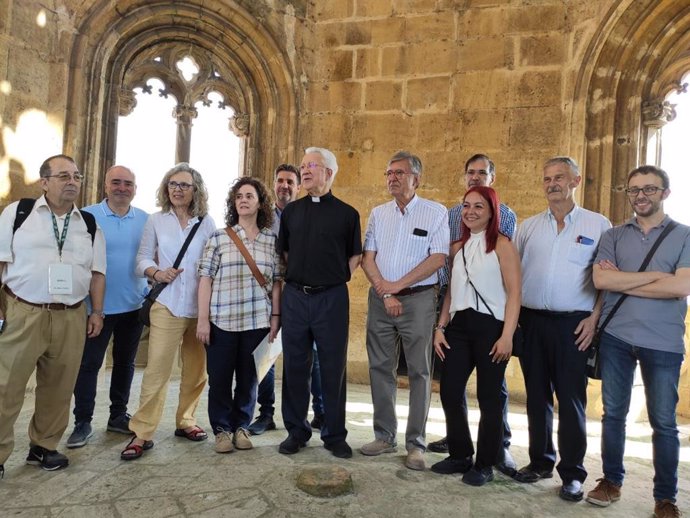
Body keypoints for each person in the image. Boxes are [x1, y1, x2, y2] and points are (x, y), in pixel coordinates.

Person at [586, 165, 690, 518]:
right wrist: (657, 276)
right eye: (633, 190)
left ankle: (665, 498)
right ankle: (611, 481)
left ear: (665, 193)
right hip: (617, 337)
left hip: (663, 343)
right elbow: (602, 281)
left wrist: (626, 280)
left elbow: (680, 287)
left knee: (663, 422)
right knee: (613, 414)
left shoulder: (684, 235)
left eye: (649, 189)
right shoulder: (614, 236)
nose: (640, 196)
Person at [0, 154, 106, 477]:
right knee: (6, 385)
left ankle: (43, 446)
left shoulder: (88, 224)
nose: (72, 181)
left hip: (71, 315)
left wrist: (97, 311)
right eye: (63, 176)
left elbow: (97, 273)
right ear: (44, 182)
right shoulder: (18, 213)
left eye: (76, 176)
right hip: (23, 311)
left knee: (59, 387)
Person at [514, 156, 610, 501]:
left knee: (571, 400)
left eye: (559, 178)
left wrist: (594, 319)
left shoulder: (598, 225)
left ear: (575, 181)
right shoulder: (527, 227)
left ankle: (572, 474)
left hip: (575, 325)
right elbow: (514, 277)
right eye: (546, 179)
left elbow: (606, 281)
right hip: (532, 321)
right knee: (536, 397)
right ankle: (540, 461)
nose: (552, 184)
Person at [429, 153, 518, 477]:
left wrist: (507, 335)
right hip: (459, 326)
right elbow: (452, 292)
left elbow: (515, 294)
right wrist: (441, 327)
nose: (470, 212)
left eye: (478, 206)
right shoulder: (457, 248)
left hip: (491, 327)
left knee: (489, 397)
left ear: (492, 210)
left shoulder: (504, 245)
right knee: (451, 390)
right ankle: (460, 454)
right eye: (466, 206)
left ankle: (485, 463)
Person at [120, 163, 216, 461]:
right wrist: (157, 272)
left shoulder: (207, 222)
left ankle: (186, 421)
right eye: (173, 184)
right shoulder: (156, 220)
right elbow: (141, 259)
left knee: (197, 370)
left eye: (184, 185)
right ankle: (143, 432)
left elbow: (213, 263)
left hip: (200, 308)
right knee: (157, 369)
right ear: (166, 188)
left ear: (195, 189)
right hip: (167, 305)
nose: (177, 189)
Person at [360, 151, 449, 471]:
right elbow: (367, 258)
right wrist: (385, 290)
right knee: (380, 367)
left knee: (419, 371)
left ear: (416, 178)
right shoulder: (378, 213)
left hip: (419, 300)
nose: (392, 178)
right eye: (388, 173)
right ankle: (384, 436)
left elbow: (438, 258)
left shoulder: (435, 212)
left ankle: (416, 443)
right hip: (381, 300)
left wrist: (395, 286)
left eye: (399, 172)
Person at [277, 147, 362, 459]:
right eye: (303, 166)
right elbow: (284, 252)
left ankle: (334, 435)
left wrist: (334, 279)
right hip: (296, 298)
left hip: (332, 299)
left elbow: (356, 255)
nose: (305, 170)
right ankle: (296, 432)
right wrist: (303, 278)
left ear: (329, 172)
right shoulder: (291, 212)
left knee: (332, 368)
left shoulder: (348, 213)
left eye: (312, 165)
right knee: (295, 366)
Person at [197, 177, 282, 453]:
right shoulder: (219, 237)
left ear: (260, 203)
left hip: (258, 320)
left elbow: (277, 281)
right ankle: (222, 430)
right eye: (238, 197)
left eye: (249, 196)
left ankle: (242, 427)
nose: (243, 200)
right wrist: (202, 320)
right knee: (219, 379)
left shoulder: (272, 240)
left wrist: (276, 318)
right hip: (222, 321)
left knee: (249, 380)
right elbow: (205, 279)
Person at [66, 165, 148, 448]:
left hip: (133, 306)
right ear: (105, 185)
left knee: (126, 364)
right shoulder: (86, 216)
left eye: (128, 183)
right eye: (116, 182)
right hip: (95, 309)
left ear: (135, 189)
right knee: (89, 364)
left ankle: (117, 416)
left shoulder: (145, 220)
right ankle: (83, 421)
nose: (122, 188)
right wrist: (90, 307)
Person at [247, 164, 325, 435]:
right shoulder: (263, 218)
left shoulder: (309, 212)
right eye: (280, 181)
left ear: (298, 186)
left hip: (301, 291)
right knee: (266, 354)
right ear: (273, 185)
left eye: (290, 181)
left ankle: (321, 411)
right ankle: (266, 413)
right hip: (269, 292)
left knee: (312, 354)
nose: (285, 186)